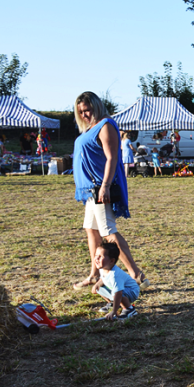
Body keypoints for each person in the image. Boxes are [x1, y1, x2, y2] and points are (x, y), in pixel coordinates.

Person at [71, 91, 150, 291]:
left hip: (99, 187)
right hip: (90, 189)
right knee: (92, 230)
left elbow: (112, 158)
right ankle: (94, 273)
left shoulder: (105, 125)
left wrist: (105, 185)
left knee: (108, 233)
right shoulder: (91, 127)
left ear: (96, 106)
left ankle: (135, 274)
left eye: (87, 110)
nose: (84, 115)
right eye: (81, 112)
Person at [91, 242, 139, 321]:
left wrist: (114, 312)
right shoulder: (103, 268)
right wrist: (97, 285)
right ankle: (114, 303)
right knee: (99, 288)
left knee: (116, 293)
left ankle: (129, 309)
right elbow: (104, 278)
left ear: (111, 261)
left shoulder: (115, 275)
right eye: (96, 255)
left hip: (132, 291)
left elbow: (119, 293)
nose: (96, 259)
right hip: (118, 290)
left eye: (100, 257)